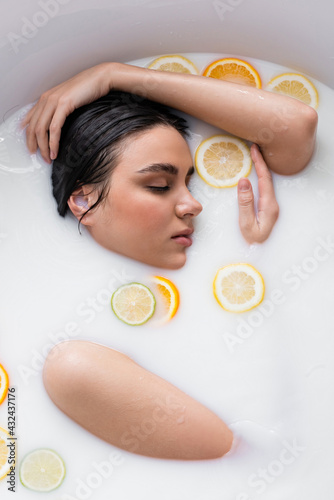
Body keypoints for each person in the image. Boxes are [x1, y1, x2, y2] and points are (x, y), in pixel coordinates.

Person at [22, 61, 318, 459]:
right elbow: (249, 453)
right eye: (159, 185)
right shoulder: (74, 360)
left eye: (189, 181)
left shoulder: (243, 237)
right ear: (82, 201)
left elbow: (297, 124)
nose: (194, 204)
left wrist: (113, 75)